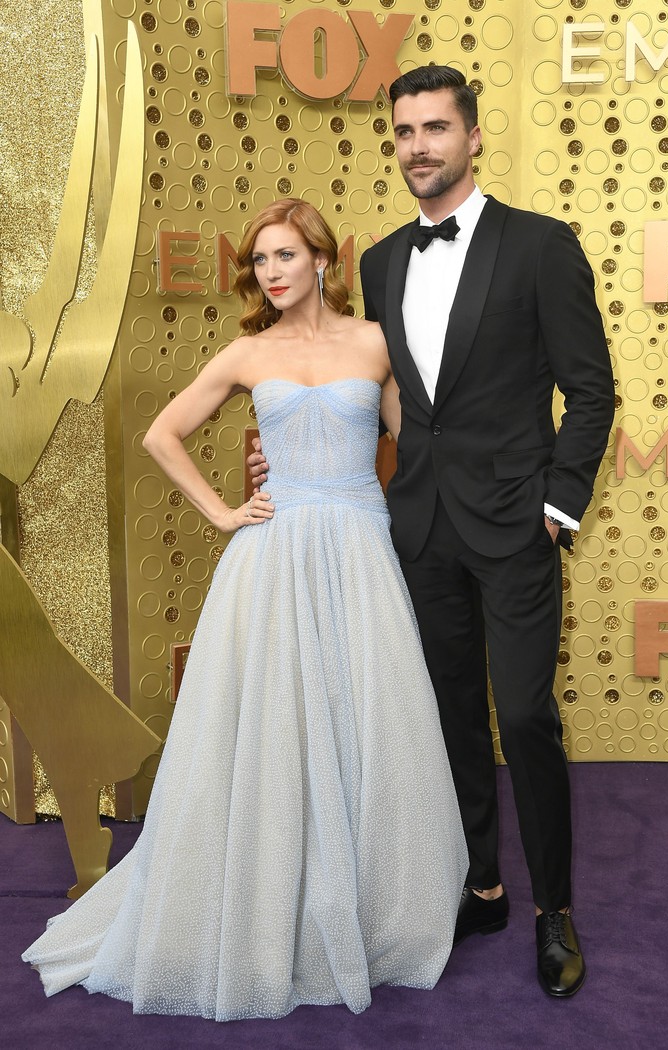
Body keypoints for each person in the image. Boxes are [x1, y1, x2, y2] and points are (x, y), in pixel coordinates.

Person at [21, 199, 468, 1020]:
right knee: (279, 726)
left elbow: (416, 447)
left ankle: (365, 906)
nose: (272, 271)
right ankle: (273, 906)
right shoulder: (245, 351)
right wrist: (227, 511)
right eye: (261, 259)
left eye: (286, 255)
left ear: (322, 261)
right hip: (275, 553)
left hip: (362, 549)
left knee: (361, 723)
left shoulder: (372, 343)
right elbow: (163, 435)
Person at [250, 67, 615, 998]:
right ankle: (482, 884)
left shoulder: (541, 245)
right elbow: (394, 402)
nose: (418, 146)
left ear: (474, 137)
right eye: (405, 132)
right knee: (448, 714)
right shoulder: (378, 264)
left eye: (435, 129)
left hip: (518, 525)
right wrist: (290, 458)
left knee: (526, 714)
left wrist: (559, 504)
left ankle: (553, 910)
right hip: (416, 526)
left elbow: (592, 389)